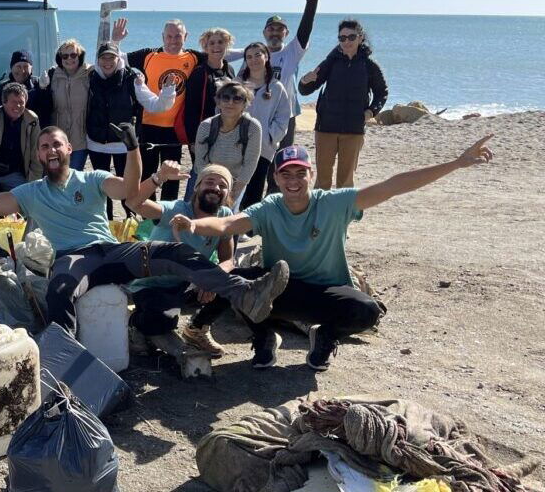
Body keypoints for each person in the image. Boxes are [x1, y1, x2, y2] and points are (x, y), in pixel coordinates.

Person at [171, 137, 493, 370]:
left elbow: (393, 186)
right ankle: (263, 336)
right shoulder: (270, 207)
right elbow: (229, 223)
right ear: (276, 178)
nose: (294, 181)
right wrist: (196, 227)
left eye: (301, 173)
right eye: (286, 174)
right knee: (238, 280)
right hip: (279, 291)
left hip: (325, 293)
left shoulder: (334, 203)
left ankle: (324, 337)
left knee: (367, 310)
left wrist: (456, 163)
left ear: (311, 174)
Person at [0, 124, 289, 335]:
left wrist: (132, 148)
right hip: (73, 258)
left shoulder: (92, 179)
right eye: (44, 146)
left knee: (174, 252)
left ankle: (244, 293)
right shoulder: (30, 192)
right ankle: (63, 363)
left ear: (69, 149)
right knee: (59, 288)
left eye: (57, 144)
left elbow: (128, 190)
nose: (51, 150)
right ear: (39, 154)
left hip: (112, 252)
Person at [127, 163, 236, 358]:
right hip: (152, 284)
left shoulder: (225, 216)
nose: (216, 188)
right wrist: (158, 177)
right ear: (197, 187)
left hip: (187, 284)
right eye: (209, 182)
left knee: (233, 282)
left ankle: (197, 329)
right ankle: (134, 322)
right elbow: (133, 203)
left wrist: (213, 278)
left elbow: (228, 259)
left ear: (227, 193)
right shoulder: (175, 209)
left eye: (222, 185)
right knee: (163, 322)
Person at [227, 0, 324, 174]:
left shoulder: (292, 53)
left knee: (281, 165)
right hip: (254, 113)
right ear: (264, 32)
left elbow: (306, 25)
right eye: (271, 29)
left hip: (284, 115)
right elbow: (224, 61)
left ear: (286, 34)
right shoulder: (253, 55)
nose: (275, 32)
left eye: (280, 30)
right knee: (250, 163)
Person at [299, 19, 389, 190]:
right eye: (342, 38)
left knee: (345, 181)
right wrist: (305, 80)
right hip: (326, 127)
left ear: (360, 38)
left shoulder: (369, 66)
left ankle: (343, 214)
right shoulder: (331, 61)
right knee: (323, 180)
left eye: (351, 37)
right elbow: (305, 89)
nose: (346, 41)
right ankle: (321, 214)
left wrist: (370, 112)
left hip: (353, 129)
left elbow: (382, 92)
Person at [116, 18, 200, 201]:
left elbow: (219, 55)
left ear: (186, 37)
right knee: (148, 174)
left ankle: (167, 214)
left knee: (172, 175)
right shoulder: (148, 55)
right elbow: (117, 58)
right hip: (148, 125)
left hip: (175, 129)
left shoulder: (193, 57)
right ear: (162, 37)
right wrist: (116, 40)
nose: (173, 41)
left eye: (177, 36)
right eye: (169, 36)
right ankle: (148, 215)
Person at [86, 41, 175, 214]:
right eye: (103, 58)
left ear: (118, 58)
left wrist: (168, 90)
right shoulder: (90, 78)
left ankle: (132, 225)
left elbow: (155, 105)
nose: (107, 62)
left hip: (124, 145)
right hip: (96, 143)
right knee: (101, 190)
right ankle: (107, 225)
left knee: (130, 190)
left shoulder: (131, 79)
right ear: (97, 60)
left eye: (111, 57)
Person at [238, 42, 293, 209]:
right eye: (249, 57)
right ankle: (229, 225)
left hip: (263, 147)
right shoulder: (237, 84)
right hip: (236, 144)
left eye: (258, 55)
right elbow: (223, 108)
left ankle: (247, 229)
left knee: (255, 187)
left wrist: (270, 136)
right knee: (236, 186)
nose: (253, 60)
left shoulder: (276, 87)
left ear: (266, 57)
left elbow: (283, 117)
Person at [192, 82, 262, 210]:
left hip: (236, 180)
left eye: (237, 98)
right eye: (226, 97)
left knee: (227, 214)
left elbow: (251, 162)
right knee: (195, 210)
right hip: (207, 175)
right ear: (218, 102)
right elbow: (201, 162)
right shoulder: (206, 126)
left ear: (245, 104)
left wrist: (233, 192)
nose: (230, 102)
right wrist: (207, 184)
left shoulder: (253, 127)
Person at [40, 39, 92, 169]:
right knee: (56, 176)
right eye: (65, 56)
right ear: (60, 58)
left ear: (79, 56)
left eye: (73, 55)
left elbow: (110, 66)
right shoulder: (52, 75)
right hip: (56, 141)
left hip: (80, 140)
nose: (69, 59)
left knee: (73, 177)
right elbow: (44, 104)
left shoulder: (89, 73)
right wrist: (42, 88)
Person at [0, 50, 51, 125]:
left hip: (33, 131)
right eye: (18, 66)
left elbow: (47, 109)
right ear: (12, 68)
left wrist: (43, 90)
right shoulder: (3, 88)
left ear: (31, 68)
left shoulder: (38, 84)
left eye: (26, 66)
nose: (22, 70)